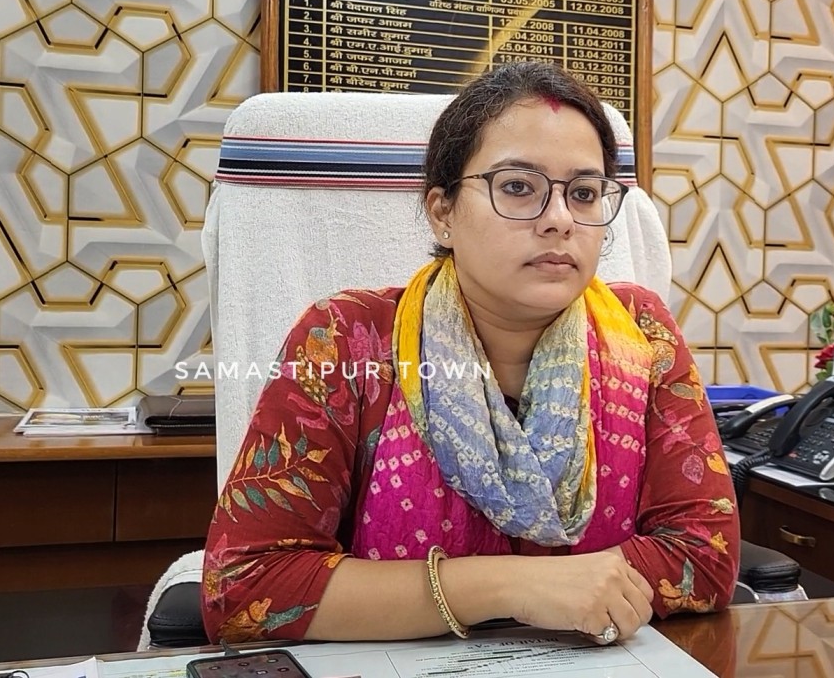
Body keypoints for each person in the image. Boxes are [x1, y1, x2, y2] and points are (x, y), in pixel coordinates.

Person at [201, 61, 741, 645]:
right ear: (443, 212)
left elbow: (704, 554)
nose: (560, 220)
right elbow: (244, 589)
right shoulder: (347, 339)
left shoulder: (642, 332)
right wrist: (510, 588)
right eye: (518, 187)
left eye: (584, 194)